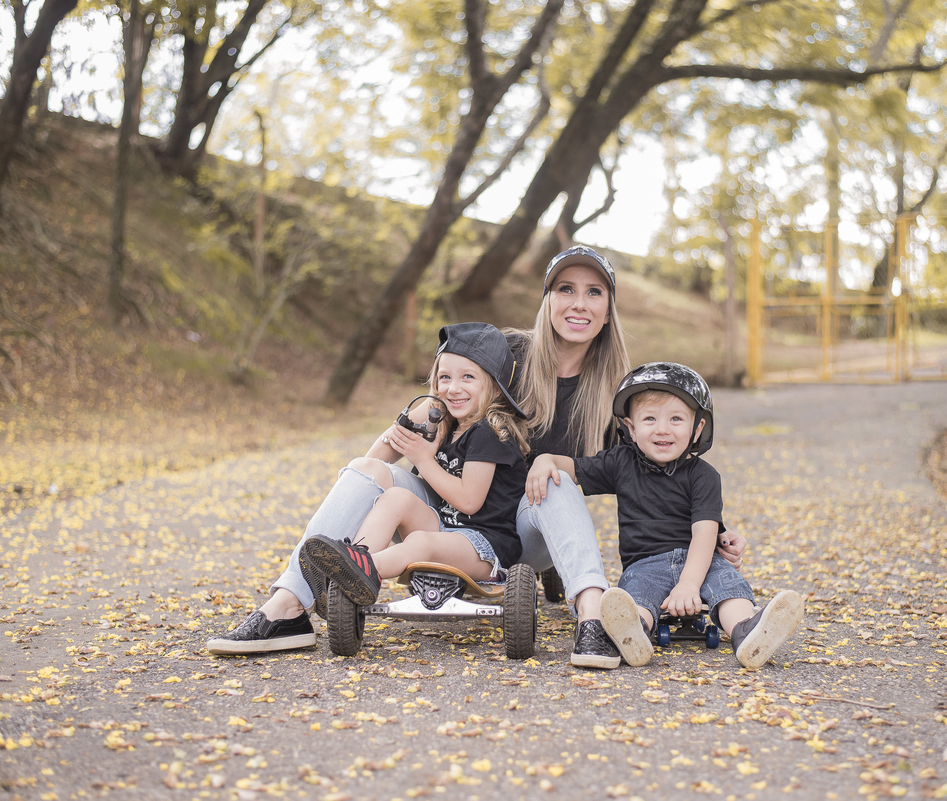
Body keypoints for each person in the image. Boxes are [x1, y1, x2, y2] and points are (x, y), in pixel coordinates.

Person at [207, 246, 746, 662]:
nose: (577, 304)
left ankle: (592, 619)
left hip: (526, 528)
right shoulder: (506, 352)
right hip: (453, 503)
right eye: (564, 289)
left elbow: (654, 475)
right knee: (371, 467)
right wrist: (371, 468)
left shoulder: (619, 392)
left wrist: (707, 531)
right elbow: (437, 404)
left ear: (608, 309)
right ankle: (290, 607)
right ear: (546, 299)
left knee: (551, 478)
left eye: (592, 293)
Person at [526, 362, 803, 669]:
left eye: (676, 419)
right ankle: (633, 635)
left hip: (700, 561)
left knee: (728, 586)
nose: (662, 429)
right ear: (631, 428)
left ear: (697, 428)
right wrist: (544, 459)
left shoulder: (705, 476)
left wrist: (688, 584)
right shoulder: (620, 462)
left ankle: (747, 631)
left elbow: (704, 533)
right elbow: (573, 469)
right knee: (636, 599)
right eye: (649, 419)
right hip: (645, 565)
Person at [296, 322, 529, 605]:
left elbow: (469, 501)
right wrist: (398, 432)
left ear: (494, 389)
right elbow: (372, 461)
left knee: (419, 542)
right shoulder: (443, 423)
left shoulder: (489, 431)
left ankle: (365, 569)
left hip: (483, 546)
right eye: (444, 378)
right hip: (443, 529)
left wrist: (422, 458)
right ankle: (354, 558)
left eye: (468, 377)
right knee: (396, 499)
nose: (453, 388)